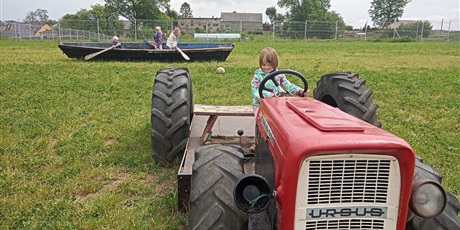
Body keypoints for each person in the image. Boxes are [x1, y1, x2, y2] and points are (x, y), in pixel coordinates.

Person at [249, 47, 309, 152]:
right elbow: (255, 91)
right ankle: (257, 142)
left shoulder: (279, 75)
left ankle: (282, 141)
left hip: (275, 104)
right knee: (261, 119)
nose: (266, 67)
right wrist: (267, 96)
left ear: (275, 63)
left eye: (269, 64)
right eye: (263, 65)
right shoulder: (257, 76)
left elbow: (288, 85)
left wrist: (300, 91)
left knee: (282, 120)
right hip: (260, 104)